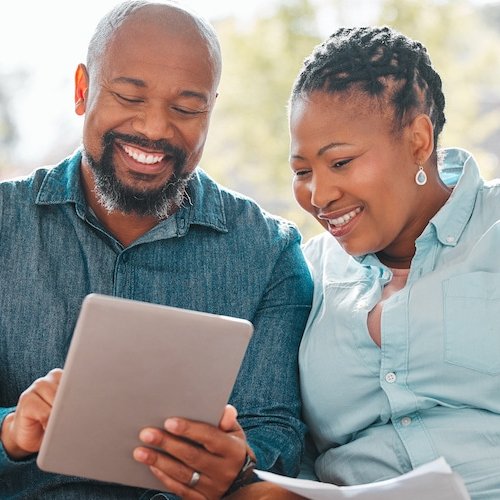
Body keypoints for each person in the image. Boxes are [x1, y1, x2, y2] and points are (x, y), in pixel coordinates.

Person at [0, 2, 313, 499]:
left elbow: (274, 429)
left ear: (211, 110)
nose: (153, 129)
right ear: (82, 90)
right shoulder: (5, 223)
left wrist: (239, 463)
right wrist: (10, 432)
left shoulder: (270, 253)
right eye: (129, 96)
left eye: (187, 109)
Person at [283, 25, 500, 499]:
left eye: (340, 162)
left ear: (419, 140)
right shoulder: (303, 271)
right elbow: (293, 442)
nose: (319, 195)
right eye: (302, 172)